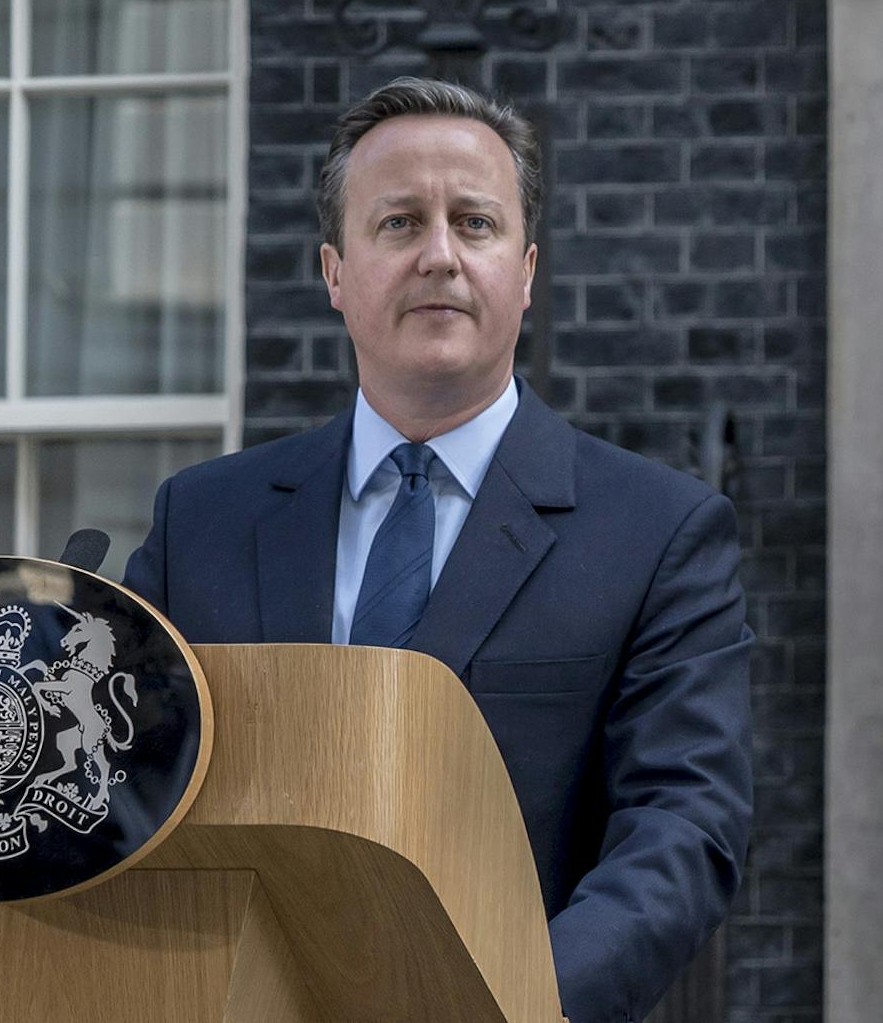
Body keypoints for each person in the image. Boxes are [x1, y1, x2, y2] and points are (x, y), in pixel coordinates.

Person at [122, 76, 753, 1023]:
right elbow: (125, 789)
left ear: (527, 270)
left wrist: (513, 1002)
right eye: (400, 223)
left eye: (476, 223)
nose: (440, 257)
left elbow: (684, 824)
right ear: (335, 271)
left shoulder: (659, 533)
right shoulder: (200, 521)